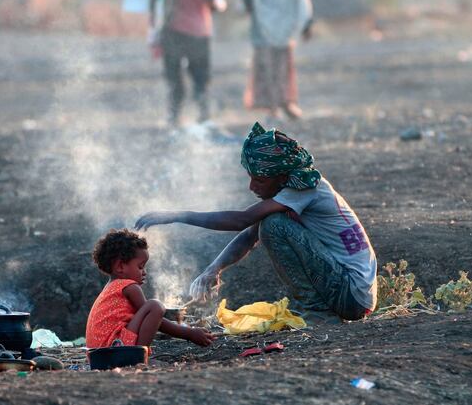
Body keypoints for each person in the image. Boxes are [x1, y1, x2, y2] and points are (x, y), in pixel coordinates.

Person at [135, 122, 377, 322]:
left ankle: (318, 314)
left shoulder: (305, 188)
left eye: (259, 180)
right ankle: (318, 310)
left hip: (351, 294)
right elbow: (250, 235)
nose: (252, 187)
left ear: (281, 176)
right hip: (352, 292)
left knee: (273, 226)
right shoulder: (295, 185)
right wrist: (213, 269)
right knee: (269, 224)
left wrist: (178, 216)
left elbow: (243, 220)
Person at [85, 229, 215, 348]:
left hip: (99, 355)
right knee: (155, 306)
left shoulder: (109, 288)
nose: (144, 272)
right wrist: (190, 333)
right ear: (120, 267)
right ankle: (137, 357)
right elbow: (158, 319)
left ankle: (135, 355)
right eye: (140, 267)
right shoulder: (129, 287)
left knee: (151, 307)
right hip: (115, 348)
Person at [149, 0, 227, 126]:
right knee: (200, 77)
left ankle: (174, 116)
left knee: (173, 75)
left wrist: (153, 22)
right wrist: (219, 4)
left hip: (171, 27)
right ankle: (204, 115)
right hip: (199, 29)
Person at [241, 0, 312, 119]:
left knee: (266, 64)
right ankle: (285, 103)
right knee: (282, 64)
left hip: (263, 24)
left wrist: (247, 9)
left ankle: (272, 106)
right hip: (285, 23)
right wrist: (306, 22)